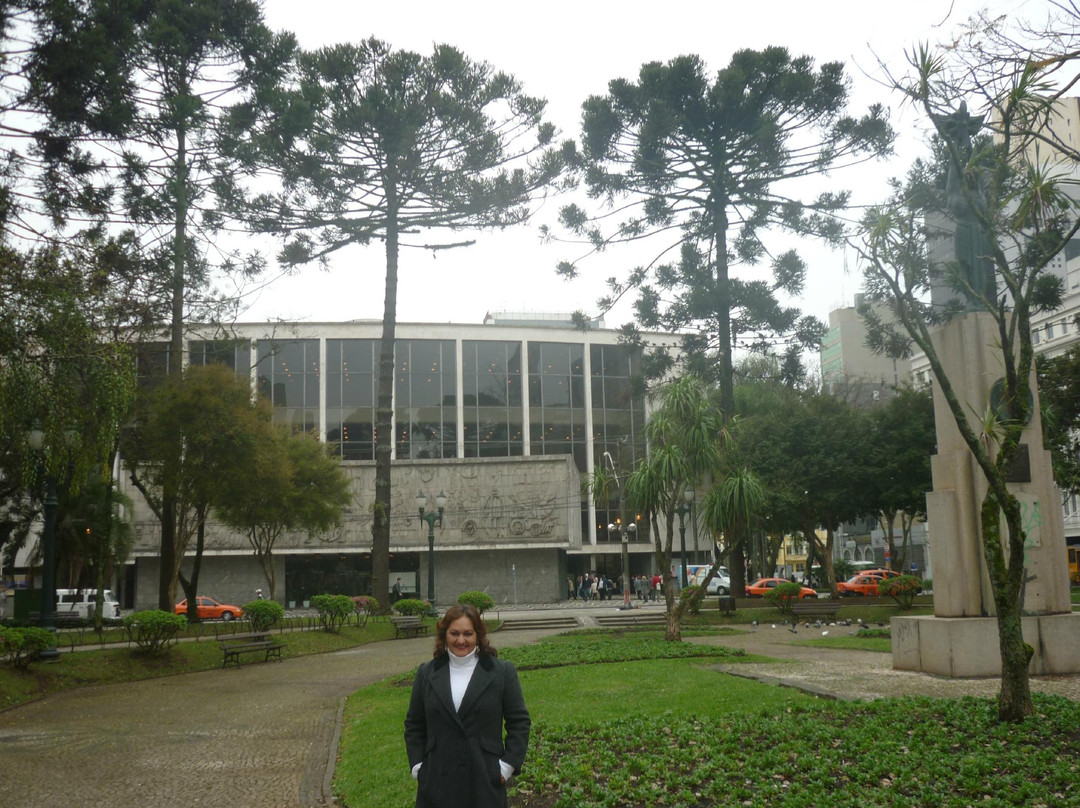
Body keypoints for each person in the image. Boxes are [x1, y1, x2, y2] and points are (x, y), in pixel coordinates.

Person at [404, 604, 530, 808]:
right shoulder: (426, 674)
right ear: (444, 635)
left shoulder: (501, 672)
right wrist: (418, 766)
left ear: (478, 635)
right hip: (437, 783)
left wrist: (507, 766)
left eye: (468, 634)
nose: (461, 640)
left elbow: (519, 723)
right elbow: (414, 724)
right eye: (454, 633)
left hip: (484, 781)